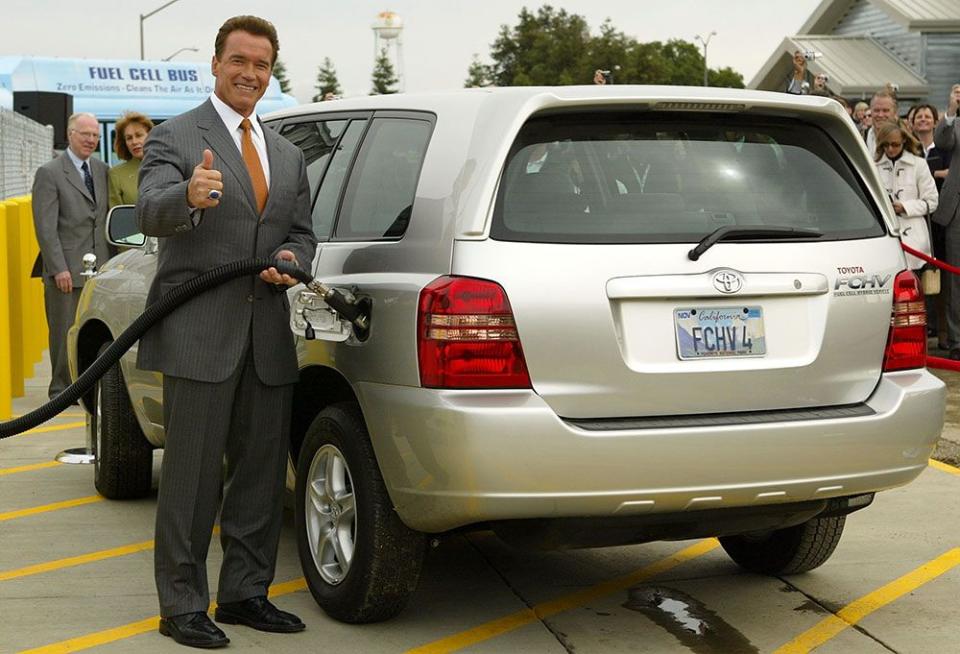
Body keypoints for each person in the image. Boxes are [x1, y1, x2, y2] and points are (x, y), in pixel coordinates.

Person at [136, 15, 316, 649]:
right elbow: (150, 208)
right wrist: (190, 194)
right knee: (190, 479)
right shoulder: (177, 136)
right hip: (198, 332)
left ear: (271, 72)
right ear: (215, 64)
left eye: (262, 65)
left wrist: (294, 262)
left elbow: (301, 233)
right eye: (239, 60)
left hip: (266, 333)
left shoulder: (287, 154)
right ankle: (181, 605)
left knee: (261, 475)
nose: (250, 74)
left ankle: (245, 593)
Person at [31, 112, 110, 400]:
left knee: (92, 333)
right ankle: (60, 392)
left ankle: (86, 390)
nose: (91, 140)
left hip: (98, 269)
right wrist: (58, 268)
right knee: (64, 333)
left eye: (95, 136)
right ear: (70, 133)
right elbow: (45, 227)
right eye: (85, 134)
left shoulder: (101, 170)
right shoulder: (50, 173)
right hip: (65, 271)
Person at [873, 121, 938, 271]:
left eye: (895, 144)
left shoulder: (919, 165)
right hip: (885, 237)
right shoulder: (874, 166)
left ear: (904, 141)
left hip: (915, 241)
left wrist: (905, 207)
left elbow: (932, 201)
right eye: (885, 145)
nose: (890, 149)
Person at [932, 84, 960, 359]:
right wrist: (951, 110)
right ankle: (956, 341)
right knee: (954, 280)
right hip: (957, 211)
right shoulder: (955, 124)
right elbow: (942, 142)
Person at [108, 111, 154, 206]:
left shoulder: (168, 166)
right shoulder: (116, 174)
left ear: (151, 136)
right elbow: (117, 215)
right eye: (129, 138)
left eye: (139, 135)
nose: (134, 141)